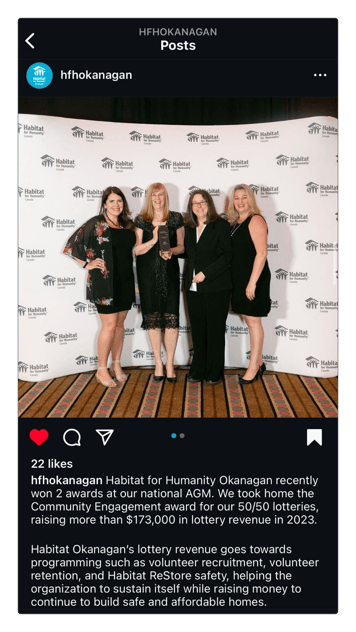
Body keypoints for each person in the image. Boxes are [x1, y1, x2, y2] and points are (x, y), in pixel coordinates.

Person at [63, 186, 136, 387]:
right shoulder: (96, 223)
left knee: (120, 325)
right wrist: (87, 264)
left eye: (119, 201)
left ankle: (117, 364)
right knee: (109, 325)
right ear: (104, 203)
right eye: (111, 201)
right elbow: (71, 246)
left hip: (126, 280)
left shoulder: (127, 225)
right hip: (104, 282)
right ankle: (101, 369)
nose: (116, 205)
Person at [134, 183, 184, 383]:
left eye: (160, 194)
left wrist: (171, 251)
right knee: (153, 320)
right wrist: (154, 240)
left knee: (171, 319)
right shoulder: (141, 220)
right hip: (148, 276)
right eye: (154, 195)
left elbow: (182, 247)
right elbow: (137, 250)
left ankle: (170, 363)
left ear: (166, 196)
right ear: (149, 197)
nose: (157, 198)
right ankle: (158, 363)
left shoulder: (176, 218)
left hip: (170, 275)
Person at [184, 189, 232, 385]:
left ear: (209, 204)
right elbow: (189, 254)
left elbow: (227, 256)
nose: (199, 206)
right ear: (191, 207)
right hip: (193, 288)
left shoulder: (220, 226)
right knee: (197, 330)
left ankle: (214, 372)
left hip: (216, 287)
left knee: (214, 330)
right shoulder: (188, 228)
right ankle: (198, 369)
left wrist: (206, 273)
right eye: (195, 203)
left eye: (203, 202)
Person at [226, 184, 271, 384]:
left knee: (253, 321)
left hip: (254, 277)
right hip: (239, 278)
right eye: (236, 198)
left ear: (250, 200)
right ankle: (259, 361)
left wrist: (252, 283)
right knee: (248, 318)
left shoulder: (256, 220)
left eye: (244, 197)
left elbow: (261, 253)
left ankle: (253, 367)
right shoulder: (235, 223)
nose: (240, 201)